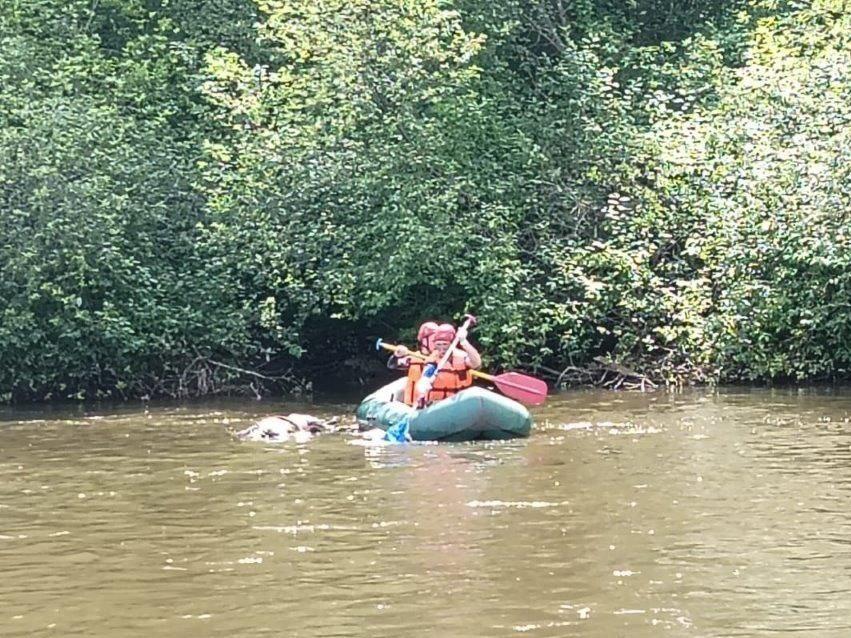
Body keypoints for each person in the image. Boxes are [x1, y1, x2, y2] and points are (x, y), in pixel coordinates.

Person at [414, 322, 481, 407]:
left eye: (445, 344)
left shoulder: (462, 357)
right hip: (438, 404)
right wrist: (423, 383)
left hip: (460, 403)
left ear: (452, 344)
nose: (442, 348)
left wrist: (464, 342)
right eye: (438, 344)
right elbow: (427, 374)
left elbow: (476, 363)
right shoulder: (433, 360)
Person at [386, 321, 438, 406]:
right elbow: (391, 365)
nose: (436, 343)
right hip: (413, 407)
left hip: (435, 405)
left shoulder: (444, 357)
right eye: (433, 339)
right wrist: (396, 355)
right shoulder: (413, 358)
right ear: (424, 341)